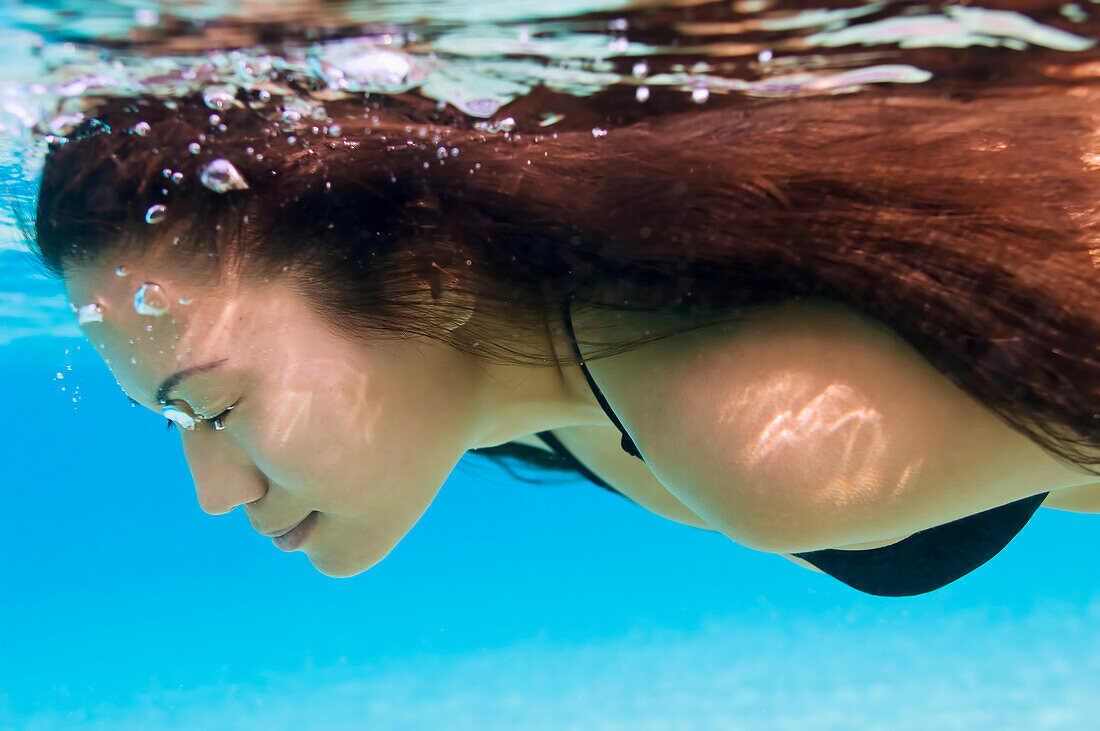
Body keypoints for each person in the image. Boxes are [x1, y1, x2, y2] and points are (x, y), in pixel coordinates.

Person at [30, 84, 1100, 595]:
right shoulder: (521, 390)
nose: (214, 490)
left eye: (215, 405)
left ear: (423, 273)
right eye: (175, 420)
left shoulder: (760, 430)